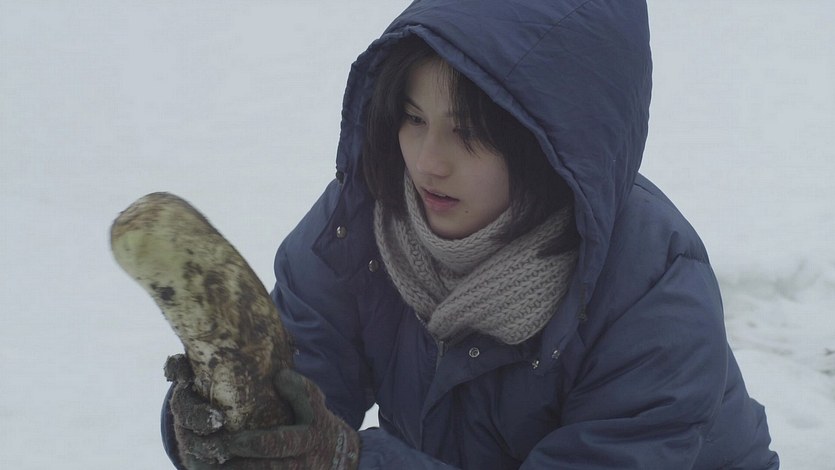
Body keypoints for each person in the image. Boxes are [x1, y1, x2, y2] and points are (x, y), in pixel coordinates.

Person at [161, 0, 779, 468]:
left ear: (553, 147)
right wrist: (231, 419)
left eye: (469, 132)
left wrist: (350, 460)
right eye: (413, 118)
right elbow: (300, 393)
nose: (428, 162)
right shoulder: (358, 225)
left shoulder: (652, 294)